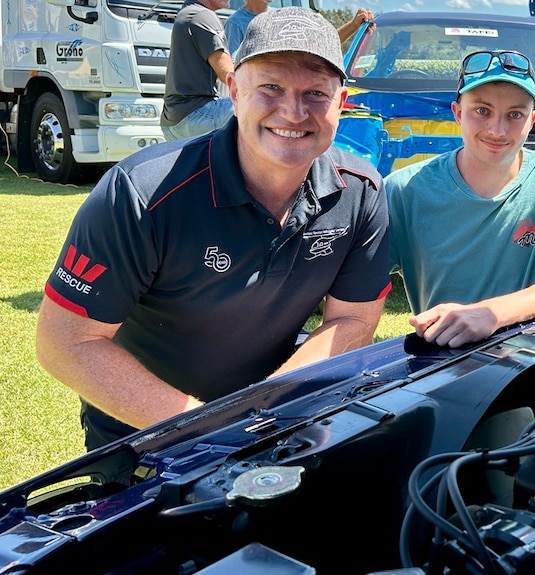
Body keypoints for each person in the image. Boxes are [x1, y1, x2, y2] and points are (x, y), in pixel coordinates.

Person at [36, 6, 391, 452]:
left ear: (342, 102)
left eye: (316, 93)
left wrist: (268, 412)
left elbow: (353, 320)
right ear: (234, 91)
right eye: (271, 87)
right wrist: (212, 431)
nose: (293, 111)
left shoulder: (360, 192)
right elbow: (65, 342)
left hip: (280, 422)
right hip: (148, 432)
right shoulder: (142, 192)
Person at [385, 50, 535, 348]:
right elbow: (355, 291)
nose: (497, 130)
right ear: (457, 113)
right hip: (439, 361)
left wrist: (490, 315)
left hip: (530, 366)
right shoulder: (403, 190)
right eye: (482, 111)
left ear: (532, 120)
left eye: (515, 115)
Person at [160, 0, 235, 141]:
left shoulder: (188, 13)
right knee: (260, 104)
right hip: (198, 114)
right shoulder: (203, 15)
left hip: (174, 120)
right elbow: (229, 75)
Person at [226, 6, 374, 58]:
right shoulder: (235, 23)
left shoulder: (282, 15)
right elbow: (231, 70)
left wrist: (354, 25)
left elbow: (320, 46)